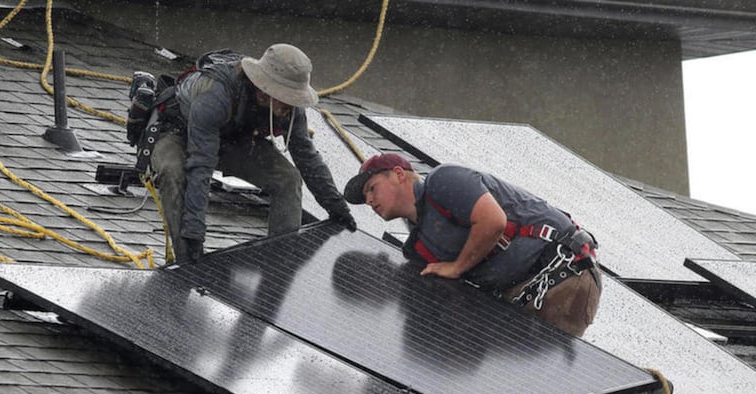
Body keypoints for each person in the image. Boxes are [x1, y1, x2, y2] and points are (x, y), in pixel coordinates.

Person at [343, 153, 601, 337]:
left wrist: (456, 267)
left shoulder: (444, 180)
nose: (368, 200)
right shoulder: (418, 247)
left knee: (551, 388)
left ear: (399, 175)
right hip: (517, 300)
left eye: (372, 188)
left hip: (562, 276)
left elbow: (493, 221)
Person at [149, 44, 355, 262]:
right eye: (288, 98)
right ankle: (187, 261)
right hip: (179, 133)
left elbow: (307, 157)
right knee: (173, 172)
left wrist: (337, 208)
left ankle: (280, 262)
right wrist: (194, 234)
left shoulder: (290, 108)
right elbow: (200, 166)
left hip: (232, 140)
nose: (292, 105)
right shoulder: (216, 93)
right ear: (266, 92)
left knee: (287, 179)